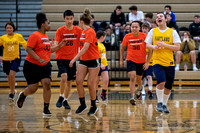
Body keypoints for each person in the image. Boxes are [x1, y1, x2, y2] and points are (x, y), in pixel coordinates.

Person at [16, 13, 67, 116]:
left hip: (45, 65)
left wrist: (60, 45)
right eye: (48, 23)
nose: (50, 25)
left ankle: (46, 109)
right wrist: (39, 58)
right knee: (33, 88)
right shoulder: (34, 35)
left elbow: (48, 51)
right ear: (43, 24)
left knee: (47, 84)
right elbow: (28, 49)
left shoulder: (45, 37)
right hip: (31, 65)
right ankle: (23, 94)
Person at [145, 12, 181, 113]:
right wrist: (153, 47)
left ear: (165, 19)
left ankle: (164, 105)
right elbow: (147, 45)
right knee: (161, 81)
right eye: (157, 17)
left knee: (168, 86)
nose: (158, 18)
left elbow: (177, 47)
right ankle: (159, 103)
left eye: (160, 16)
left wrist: (165, 45)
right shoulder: (153, 31)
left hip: (169, 62)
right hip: (157, 61)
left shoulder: (172, 32)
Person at [69, 9, 100, 115]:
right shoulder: (82, 32)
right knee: (78, 81)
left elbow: (85, 48)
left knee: (91, 84)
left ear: (81, 22)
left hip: (93, 60)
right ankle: (82, 104)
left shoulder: (90, 31)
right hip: (84, 60)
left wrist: (73, 59)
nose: (77, 23)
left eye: (78, 21)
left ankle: (93, 105)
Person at [55, 10, 82, 110]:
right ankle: (61, 97)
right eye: (67, 19)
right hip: (61, 57)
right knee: (64, 77)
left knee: (69, 81)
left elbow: (83, 41)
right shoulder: (60, 31)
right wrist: (56, 45)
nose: (69, 21)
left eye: (71, 19)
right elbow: (56, 44)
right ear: (64, 19)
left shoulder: (78, 30)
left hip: (72, 59)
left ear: (73, 19)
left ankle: (65, 100)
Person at [120, 21, 151, 105]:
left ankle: (140, 88)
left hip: (141, 61)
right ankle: (132, 96)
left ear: (139, 28)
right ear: (130, 28)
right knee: (132, 77)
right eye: (132, 27)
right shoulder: (127, 36)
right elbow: (122, 48)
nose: (134, 28)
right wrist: (121, 60)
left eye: (136, 27)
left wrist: (147, 62)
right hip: (131, 60)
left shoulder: (144, 36)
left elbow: (150, 50)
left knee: (139, 79)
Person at [0, 21, 27, 101]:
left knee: (12, 75)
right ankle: (12, 90)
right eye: (7, 28)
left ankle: (12, 92)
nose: (8, 29)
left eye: (10, 28)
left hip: (15, 58)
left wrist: (31, 52)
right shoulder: (2, 38)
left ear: (13, 28)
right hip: (6, 60)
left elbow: (25, 45)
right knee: (9, 77)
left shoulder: (18, 36)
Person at [95, 30, 109, 102]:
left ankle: (103, 94)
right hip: (97, 65)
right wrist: (100, 64)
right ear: (102, 37)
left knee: (106, 80)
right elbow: (95, 56)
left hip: (104, 64)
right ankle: (95, 96)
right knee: (96, 81)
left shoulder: (102, 45)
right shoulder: (96, 44)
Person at [141, 23, 153, 97]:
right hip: (141, 60)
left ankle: (150, 89)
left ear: (148, 29)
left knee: (149, 76)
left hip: (149, 60)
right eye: (143, 28)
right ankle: (142, 89)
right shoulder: (140, 36)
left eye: (146, 29)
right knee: (142, 76)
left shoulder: (150, 37)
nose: (144, 30)